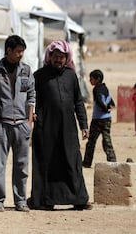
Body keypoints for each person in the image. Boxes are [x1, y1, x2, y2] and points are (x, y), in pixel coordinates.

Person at [29, 39, 92, 211]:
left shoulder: (71, 76)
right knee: (46, 162)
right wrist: (32, 115)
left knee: (72, 160)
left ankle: (79, 199)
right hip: (46, 126)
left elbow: (78, 101)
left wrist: (84, 125)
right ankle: (44, 200)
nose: (58, 60)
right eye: (55, 57)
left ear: (67, 58)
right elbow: (30, 99)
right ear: (49, 57)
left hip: (68, 128)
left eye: (62, 57)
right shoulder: (39, 76)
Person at [0, 35, 35, 213]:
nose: (21, 55)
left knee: (22, 166)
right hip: (2, 125)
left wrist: (29, 121)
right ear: (9, 51)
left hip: (21, 125)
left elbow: (31, 97)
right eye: (18, 51)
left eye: (22, 51)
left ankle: (20, 201)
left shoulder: (27, 71)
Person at [83, 69, 117, 168]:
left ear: (97, 79)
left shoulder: (96, 89)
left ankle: (87, 162)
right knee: (107, 141)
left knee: (91, 142)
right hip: (107, 119)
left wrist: (104, 108)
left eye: (91, 79)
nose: (90, 81)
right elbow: (112, 103)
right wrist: (108, 108)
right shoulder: (105, 88)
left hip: (98, 119)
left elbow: (99, 101)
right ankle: (112, 161)